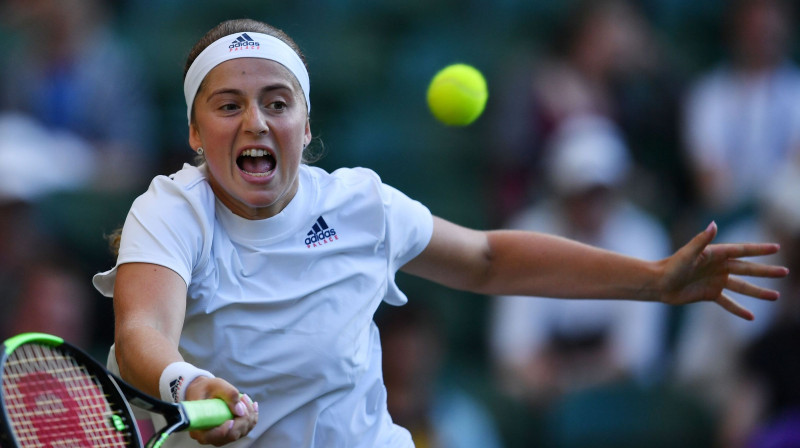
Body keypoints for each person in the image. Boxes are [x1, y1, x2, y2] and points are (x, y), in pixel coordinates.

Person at [92, 18, 789, 447]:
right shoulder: (171, 212)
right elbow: (143, 332)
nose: (255, 122)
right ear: (193, 131)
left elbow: (487, 257)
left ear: (305, 128)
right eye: (227, 105)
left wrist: (654, 279)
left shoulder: (361, 205)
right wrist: (189, 384)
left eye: (277, 103)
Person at [490, 115, 672, 406]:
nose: (592, 205)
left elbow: (637, 355)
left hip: (621, 396)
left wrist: (576, 381)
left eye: (600, 192)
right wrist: (553, 383)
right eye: (581, 193)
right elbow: (514, 347)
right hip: (542, 398)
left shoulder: (645, 238)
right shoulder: (526, 233)